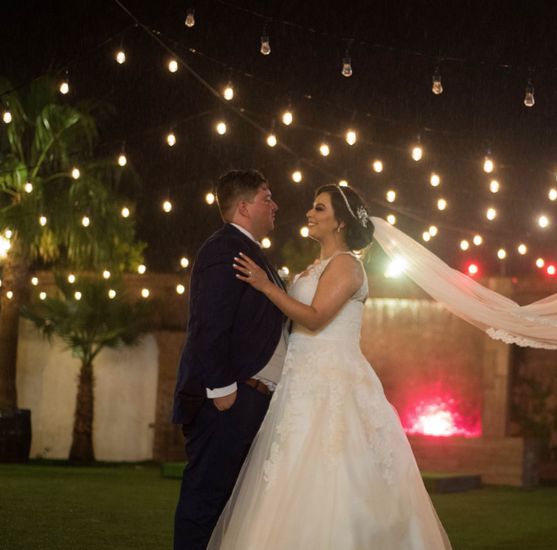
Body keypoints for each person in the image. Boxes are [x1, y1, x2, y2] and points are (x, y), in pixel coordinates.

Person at [208, 184, 451, 549]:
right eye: (312, 206)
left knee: (334, 480)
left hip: (334, 385)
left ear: (340, 223)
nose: (310, 213)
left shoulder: (348, 265)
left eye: (319, 209)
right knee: (288, 482)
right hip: (298, 385)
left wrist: (264, 285)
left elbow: (317, 317)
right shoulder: (314, 268)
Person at [172, 169, 288, 550]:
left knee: (232, 506)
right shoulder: (224, 249)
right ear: (242, 207)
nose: (275, 205)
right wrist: (221, 388)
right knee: (206, 499)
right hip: (227, 400)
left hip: (249, 399)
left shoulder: (253, 251)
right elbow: (210, 321)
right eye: (266, 197)